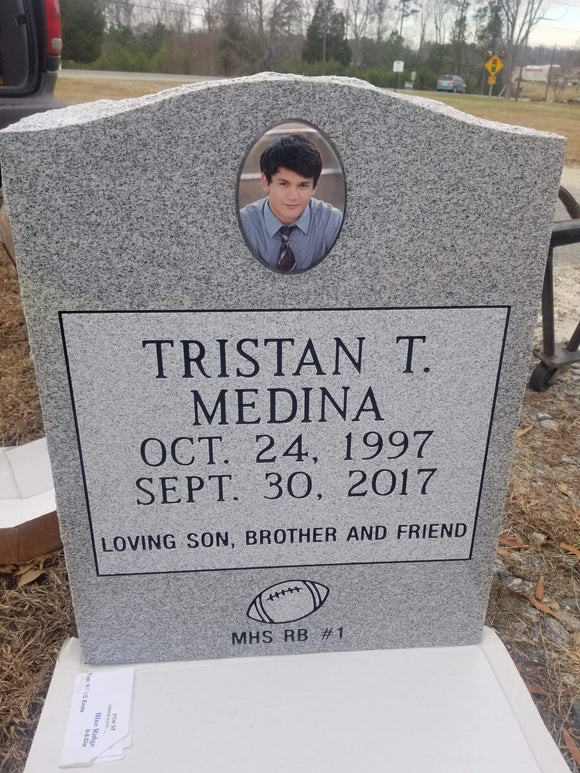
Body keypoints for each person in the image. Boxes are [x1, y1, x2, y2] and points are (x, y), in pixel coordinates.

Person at [239, 134, 343, 272]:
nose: (293, 197)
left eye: (303, 185)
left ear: (315, 186)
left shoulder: (333, 223)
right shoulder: (244, 224)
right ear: (265, 182)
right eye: (283, 184)